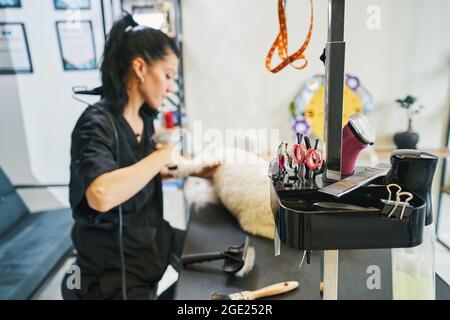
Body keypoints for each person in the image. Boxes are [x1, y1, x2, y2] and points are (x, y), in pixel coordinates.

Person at [66, 14, 218, 300]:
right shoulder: (95, 124)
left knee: (221, 256)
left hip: (150, 239)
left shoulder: (143, 117)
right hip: (111, 270)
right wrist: (162, 155)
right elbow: (101, 193)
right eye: (168, 75)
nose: (171, 87)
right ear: (140, 68)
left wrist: (190, 170)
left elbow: (134, 171)